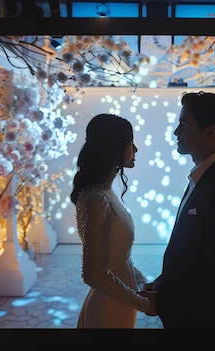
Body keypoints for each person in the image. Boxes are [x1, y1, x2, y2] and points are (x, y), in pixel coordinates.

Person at [141, 91, 215, 328]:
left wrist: (165, 303)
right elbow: (192, 254)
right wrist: (162, 283)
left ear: (210, 132)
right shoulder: (202, 178)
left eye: (184, 125)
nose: (176, 133)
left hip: (207, 329)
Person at [70, 113, 150, 328]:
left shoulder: (105, 192)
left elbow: (120, 258)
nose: (135, 149)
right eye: (130, 143)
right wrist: (142, 303)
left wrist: (143, 281)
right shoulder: (96, 199)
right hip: (108, 308)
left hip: (121, 300)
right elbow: (94, 274)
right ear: (115, 147)